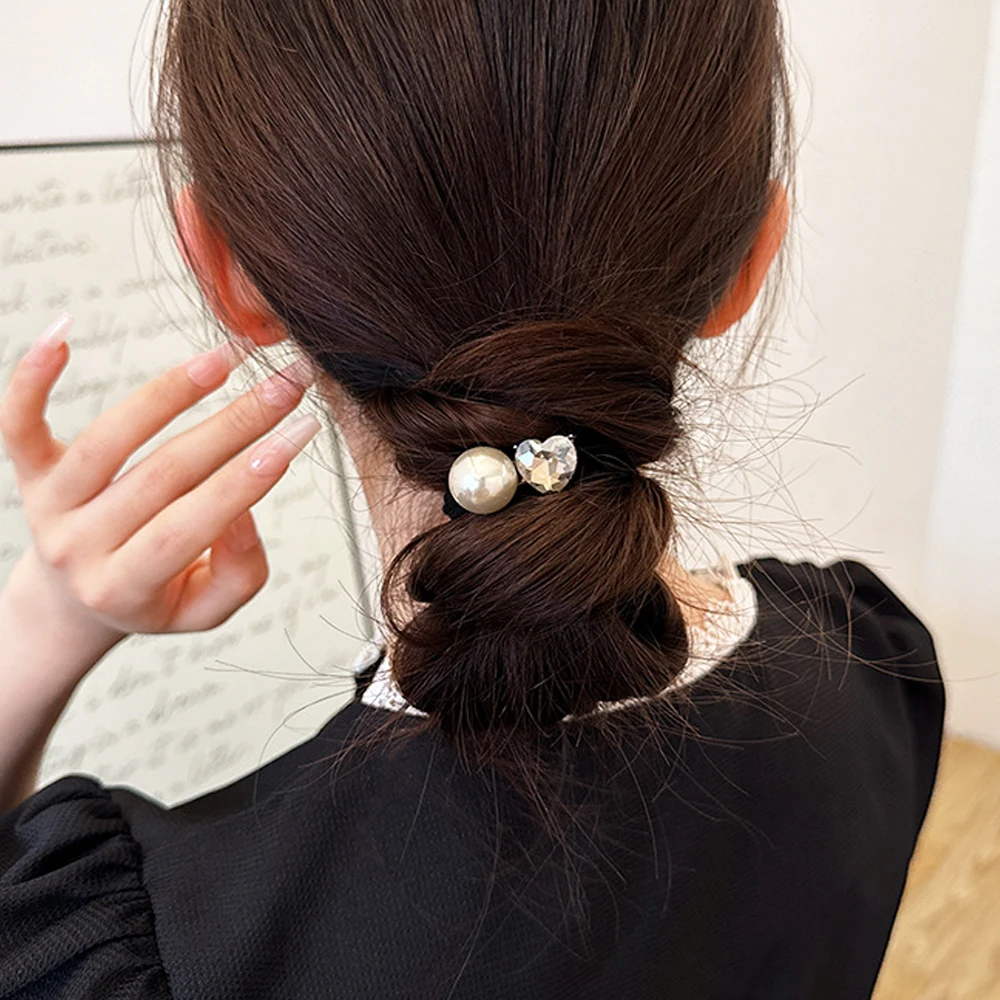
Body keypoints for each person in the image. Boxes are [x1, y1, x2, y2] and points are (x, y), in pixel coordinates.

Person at [0, 2, 944, 997]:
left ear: (228, 271)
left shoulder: (161, 956)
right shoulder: (869, 673)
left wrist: (44, 623)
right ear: (750, 258)